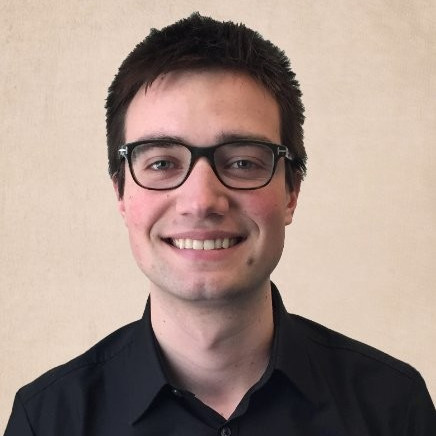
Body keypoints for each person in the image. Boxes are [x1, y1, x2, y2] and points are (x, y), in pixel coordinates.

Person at [5, 13, 435, 435]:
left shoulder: (394, 408)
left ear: (292, 191)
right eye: (162, 163)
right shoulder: (46, 421)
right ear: (120, 192)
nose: (201, 201)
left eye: (243, 162)